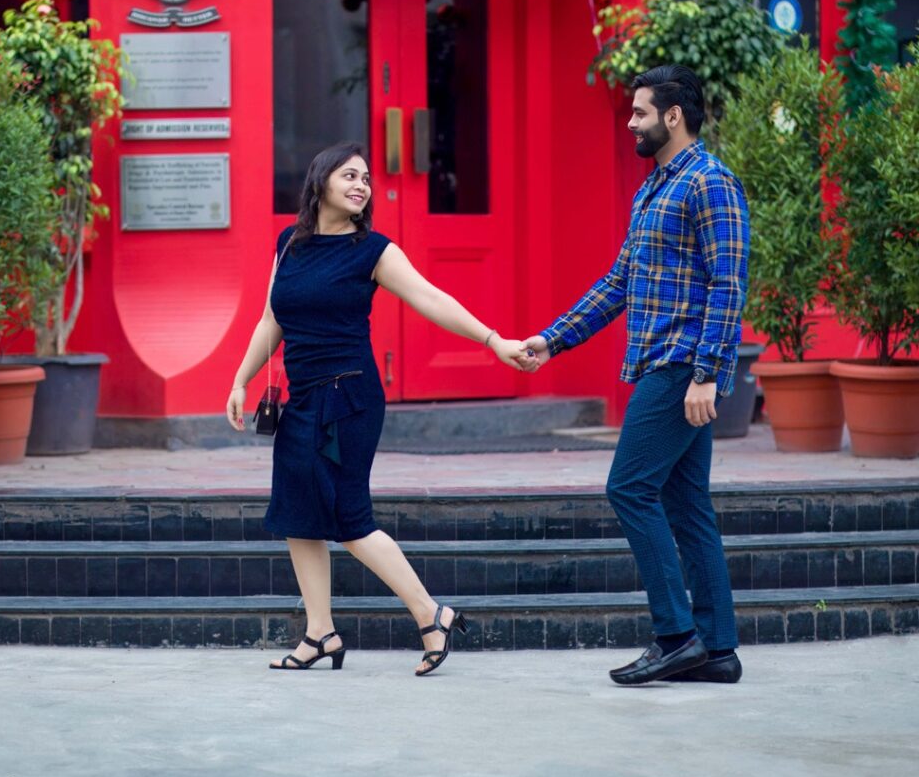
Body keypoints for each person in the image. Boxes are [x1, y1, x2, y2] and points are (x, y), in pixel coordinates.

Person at [226, 141, 534, 676]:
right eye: (350, 175)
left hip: (349, 398)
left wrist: (493, 340)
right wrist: (240, 378)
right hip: (302, 398)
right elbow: (271, 318)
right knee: (298, 515)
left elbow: (431, 298)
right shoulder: (289, 244)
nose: (361, 186)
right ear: (320, 180)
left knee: (348, 518)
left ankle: (430, 612)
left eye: (366, 179)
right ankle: (320, 633)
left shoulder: (373, 251)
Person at [523, 64, 750, 685]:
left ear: (673, 116)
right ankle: (718, 648)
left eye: (640, 112)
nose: (630, 122)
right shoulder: (652, 190)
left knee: (628, 488)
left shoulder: (710, 184)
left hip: (681, 365)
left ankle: (677, 635)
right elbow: (618, 282)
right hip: (660, 359)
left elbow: (729, 286)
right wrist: (553, 339)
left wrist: (708, 373)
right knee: (686, 503)